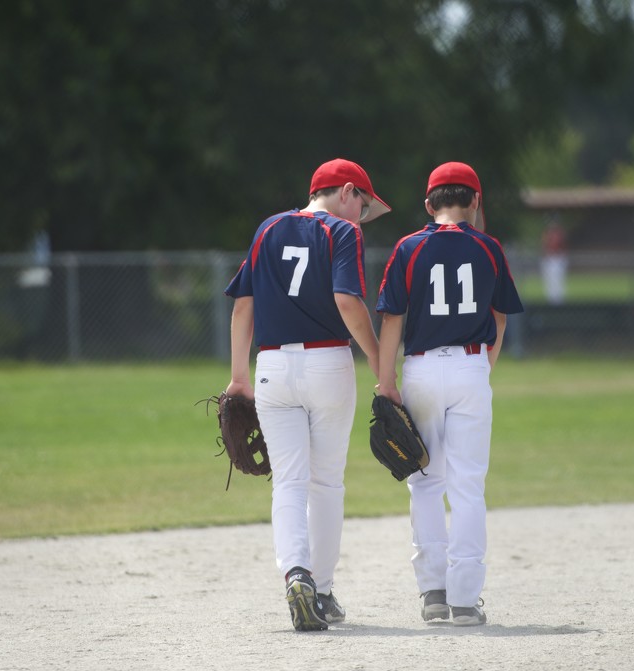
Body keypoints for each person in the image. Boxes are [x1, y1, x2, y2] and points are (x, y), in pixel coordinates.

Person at [223, 158, 391, 632]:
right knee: (326, 483)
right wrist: (382, 368)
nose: (361, 216)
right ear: (346, 192)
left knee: (289, 483)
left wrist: (239, 377)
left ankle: (296, 574)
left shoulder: (268, 229)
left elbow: (243, 307)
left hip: (272, 367)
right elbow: (346, 301)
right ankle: (321, 588)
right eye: (363, 203)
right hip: (327, 365)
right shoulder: (341, 233)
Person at [375, 161, 524, 627]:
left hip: (419, 369)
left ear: (428, 205)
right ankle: (464, 599)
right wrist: (483, 367)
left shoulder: (409, 247)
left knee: (424, 482)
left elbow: (392, 321)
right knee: (468, 487)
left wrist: (386, 384)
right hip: (471, 367)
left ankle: (433, 593)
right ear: (475, 202)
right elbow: (500, 316)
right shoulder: (488, 248)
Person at [540, 218, 568, 305]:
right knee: (549, 281)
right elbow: (545, 246)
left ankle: (558, 300)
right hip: (550, 258)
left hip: (557, 258)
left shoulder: (559, 235)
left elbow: (561, 245)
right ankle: (551, 300)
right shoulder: (547, 235)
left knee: (558, 281)